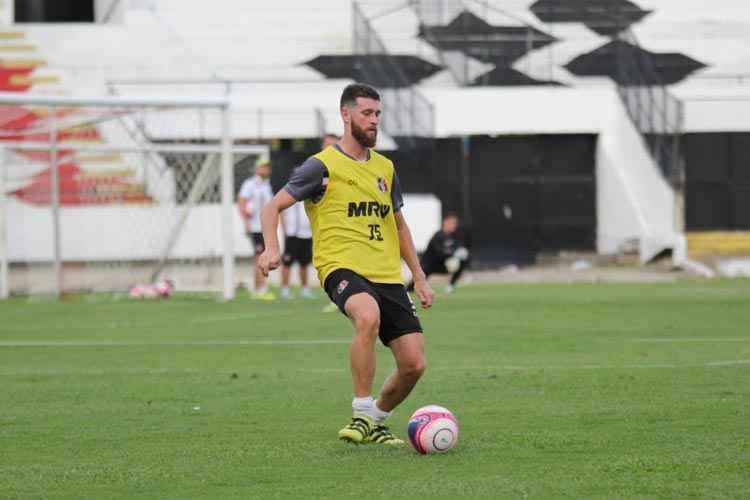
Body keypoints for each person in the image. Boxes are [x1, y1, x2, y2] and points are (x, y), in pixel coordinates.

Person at [258, 83, 434, 445]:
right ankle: (361, 411)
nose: (374, 121)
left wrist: (418, 276)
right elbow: (271, 206)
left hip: (387, 275)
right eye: (367, 114)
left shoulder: (385, 167)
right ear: (346, 114)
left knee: (414, 364)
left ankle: (377, 420)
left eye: (377, 114)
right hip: (341, 267)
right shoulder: (320, 166)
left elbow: (398, 224)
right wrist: (270, 248)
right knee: (366, 316)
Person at [238, 156, 275, 300]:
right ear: (258, 168)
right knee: (259, 257)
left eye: (268, 167)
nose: (267, 169)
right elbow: (242, 202)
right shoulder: (250, 184)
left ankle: (261, 287)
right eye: (264, 166)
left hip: (265, 228)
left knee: (264, 257)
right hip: (255, 227)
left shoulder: (266, 185)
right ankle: (259, 289)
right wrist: (246, 222)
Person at [407, 212, 470, 294]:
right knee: (418, 281)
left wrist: (461, 253)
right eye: (452, 223)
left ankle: (450, 287)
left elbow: (458, 249)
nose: (454, 225)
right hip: (429, 264)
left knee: (464, 261)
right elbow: (438, 252)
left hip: (442, 265)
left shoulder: (454, 237)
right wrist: (453, 253)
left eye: (455, 223)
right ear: (445, 222)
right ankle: (407, 291)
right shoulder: (438, 236)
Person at [279, 200, 313, 299]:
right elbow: (282, 210)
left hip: (306, 234)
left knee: (304, 263)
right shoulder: (291, 194)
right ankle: (285, 289)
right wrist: (285, 230)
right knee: (287, 262)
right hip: (292, 234)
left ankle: (304, 289)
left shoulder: (309, 194)